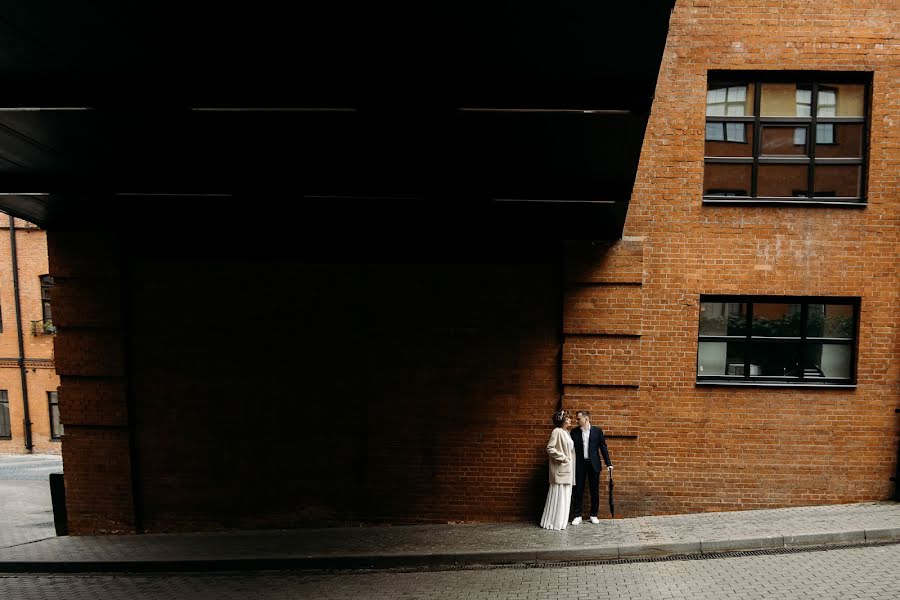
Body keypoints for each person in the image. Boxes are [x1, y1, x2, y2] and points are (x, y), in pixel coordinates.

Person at [569, 410, 613, 525]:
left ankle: (594, 514)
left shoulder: (597, 431)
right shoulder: (574, 432)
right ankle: (577, 515)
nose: (577, 421)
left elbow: (603, 448)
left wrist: (608, 463)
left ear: (586, 419)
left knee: (594, 490)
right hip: (579, 464)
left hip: (594, 464)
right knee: (578, 490)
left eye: (579, 419)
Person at [539, 409, 575, 530]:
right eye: (568, 418)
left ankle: (562, 522)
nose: (570, 420)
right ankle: (554, 522)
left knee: (565, 495)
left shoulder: (566, 432)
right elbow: (550, 448)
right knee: (559, 495)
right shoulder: (557, 431)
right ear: (563, 420)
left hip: (568, 469)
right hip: (560, 468)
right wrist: (563, 458)